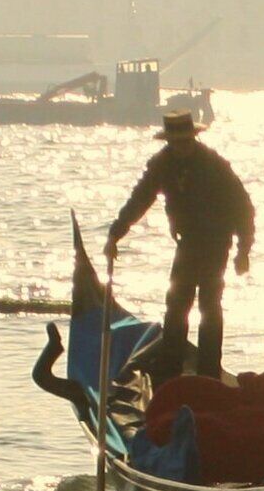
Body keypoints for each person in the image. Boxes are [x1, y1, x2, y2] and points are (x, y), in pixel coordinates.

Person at [108, 105, 254, 375]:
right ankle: (171, 369)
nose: (181, 148)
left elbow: (242, 206)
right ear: (169, 142)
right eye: (176, 143)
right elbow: (140, 199)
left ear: (193, 138)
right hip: (187, 243)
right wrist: (116, 233)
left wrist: (244, 250)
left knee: (209, 305)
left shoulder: (214, 165)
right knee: (176, 305)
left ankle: (209, 371)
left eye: (185, 142)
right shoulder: (162, 165)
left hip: (215, 241)